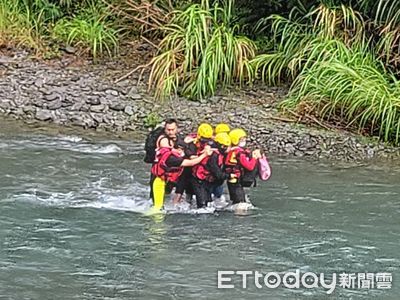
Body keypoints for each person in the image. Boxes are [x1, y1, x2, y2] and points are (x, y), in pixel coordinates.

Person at [149, 140, 212, 212]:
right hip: (159, 182)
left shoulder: (172, 154)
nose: (182, 152)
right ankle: (154, 219)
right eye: (181, 150)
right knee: (158, 207)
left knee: (161, 204)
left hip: (166, 181)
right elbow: (191, 163)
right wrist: (205, 155)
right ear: (177, 149)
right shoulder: (172, 159)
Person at [172, 123, 215, 205]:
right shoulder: (190, 144)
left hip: (198, 173)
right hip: (187, 169)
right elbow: (192, 158)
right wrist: (204, 154)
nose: (205, 141)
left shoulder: (210, 143)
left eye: (207, 139)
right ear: (199, 136)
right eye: (204, 139)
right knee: (180, 189)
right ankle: (175, 205)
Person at [191, 132, 233, 208]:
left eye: (227, 146)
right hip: (199, 180)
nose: (226, 148)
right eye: (224, 146)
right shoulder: (213, 156)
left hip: (206, 181)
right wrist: (229, 176)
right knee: (203, 205)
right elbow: (217, 172)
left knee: (208, 203)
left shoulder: (218, 153)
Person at [225, 128, 261, 204]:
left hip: (232, 180)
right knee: (240, 204)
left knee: (236, 202)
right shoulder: (239, 153)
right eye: (242, 139)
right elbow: (249, 167)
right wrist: (254, 158)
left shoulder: (232, 150)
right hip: (236, 181)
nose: (244, 140)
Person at [211, 123, 231, 201]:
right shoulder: (214, 151)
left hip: (220, 177)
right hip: (213, 176)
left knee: (218, 191)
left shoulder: (226, 145)